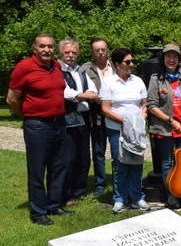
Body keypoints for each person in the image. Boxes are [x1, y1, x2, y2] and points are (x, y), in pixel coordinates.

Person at [7, 33, 72, 225]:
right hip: (37, 125)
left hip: (59, 122)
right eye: (42, 46)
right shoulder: (24, 67)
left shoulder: (57, 65)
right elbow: (11, 99)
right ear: (34, 48)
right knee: (37, 169)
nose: (47, 50)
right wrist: (27, 115)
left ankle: (53, 205)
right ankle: (38, 212)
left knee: (58, 166)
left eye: (50, 46)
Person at [100, 48, 149, 213]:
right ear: (116, 64)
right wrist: (126, 121)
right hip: (117, 129)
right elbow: (105, 109)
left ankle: (136, 197)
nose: (131, 64)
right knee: (120, 163)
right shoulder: (109, 82)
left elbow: (144, 103)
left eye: (133, 61)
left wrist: (140, 119)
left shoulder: (138, 81)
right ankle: (119, 198)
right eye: (127, 62)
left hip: (136, 129)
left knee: (136, 163)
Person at [147, 44, 181, 209]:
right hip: (165, 129)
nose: (171, 59)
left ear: (179, 59)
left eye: (174, 56)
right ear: (163, 59)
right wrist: (170, 120)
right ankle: (171, 195)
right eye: (168, 56)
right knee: (167, 164)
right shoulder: (156, 79)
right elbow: (151, 106)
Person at [59, 38, 100, 204]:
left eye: (74, 52)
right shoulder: (57, 70)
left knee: (83, 156)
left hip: (83, 117)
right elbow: (64, 92)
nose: (70, 55)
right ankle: (66, 194)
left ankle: (80, 190)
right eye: (67, 52)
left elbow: (94, 90)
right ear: (60, 53)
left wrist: (84, 94)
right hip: (68, 117)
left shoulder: (80, 70)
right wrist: (83, 95)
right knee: (68, 157)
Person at [82, 38, 113, 195]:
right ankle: (100, 183)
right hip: (96, 116)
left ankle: (118, 180)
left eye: (103, 49)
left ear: (107, 50)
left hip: (115, 114)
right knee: (99, 151)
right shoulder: (85, 69)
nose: (100, 53)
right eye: (97, 50)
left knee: (117, 151)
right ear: (92, 52)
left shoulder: (116, 65)